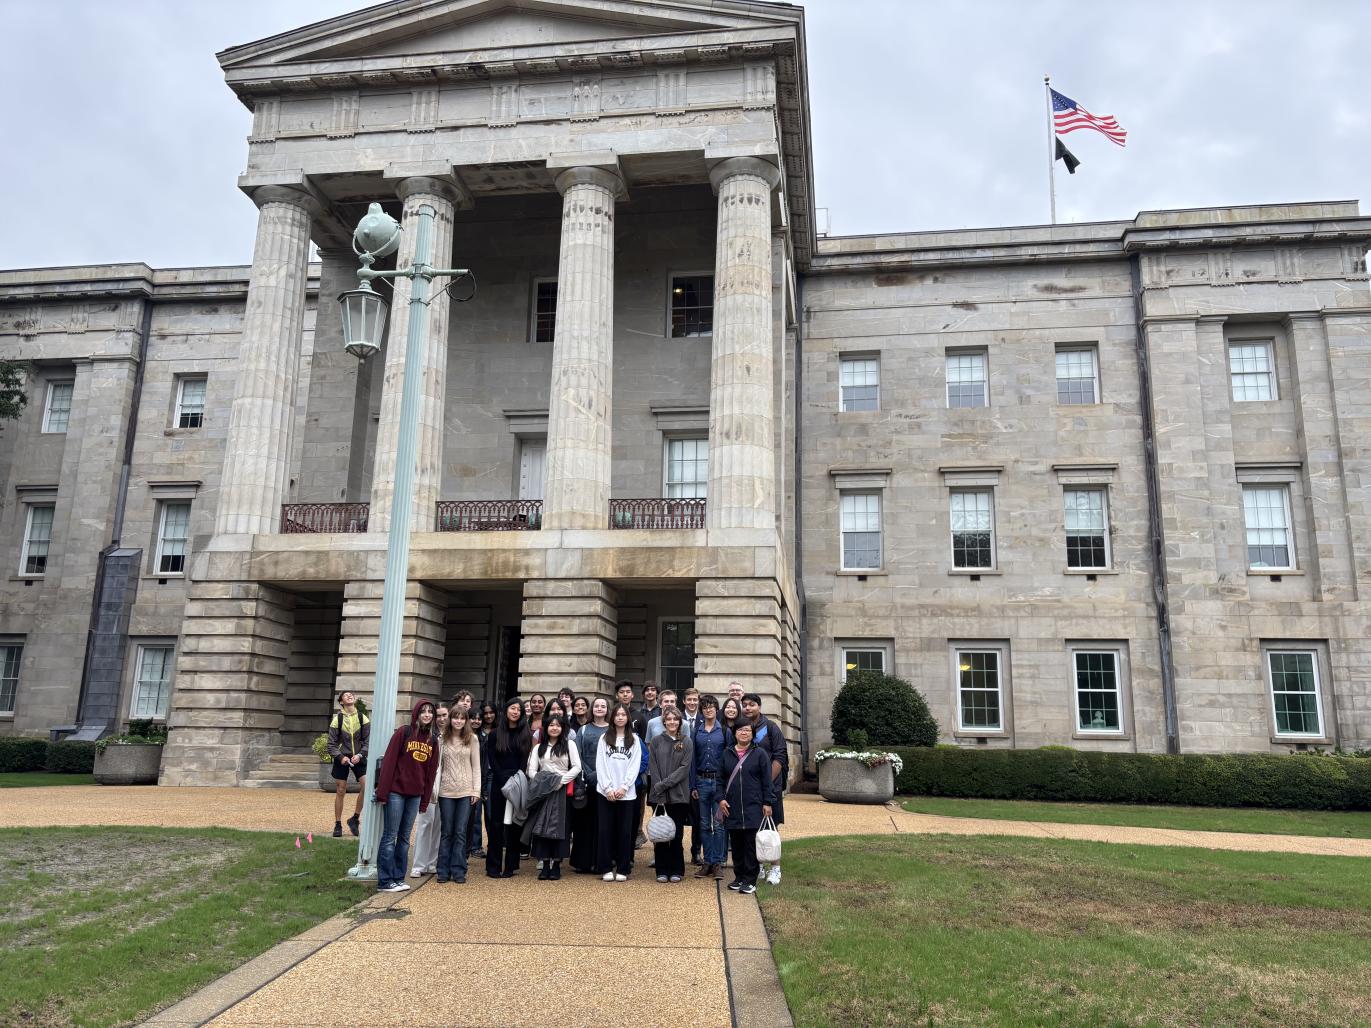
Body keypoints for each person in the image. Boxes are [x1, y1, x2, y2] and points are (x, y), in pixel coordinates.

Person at [373, 700, 439, 893]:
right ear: (417, 713)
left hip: (415, 795)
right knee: (390, 836)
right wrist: (382, 792)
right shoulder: (404, 733)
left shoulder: (432, 740)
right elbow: (389, 763)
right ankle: (385, 881)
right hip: (395, 793)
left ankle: (398, 878)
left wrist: (425, 800)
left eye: (430, 712)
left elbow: (431, 773)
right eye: (423, 711)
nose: (427, 715)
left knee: (404, 838)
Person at [719, 719, 774, 895]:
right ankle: (739, 877)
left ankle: (750, 879)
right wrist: (720, 799)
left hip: (754, 806)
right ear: (734, 733)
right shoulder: (727, 753)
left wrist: (767, 802)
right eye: (740, 730)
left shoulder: (760, 754)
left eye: (748, 730)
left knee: (751, 844)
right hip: (732, 806)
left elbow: (767, 781)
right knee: (736, 845)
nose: (744, 733)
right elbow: (719, 780)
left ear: (753, 733)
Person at [525, 713, 581, 880]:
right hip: (543, 791)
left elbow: (577, 767)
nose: (554, 728)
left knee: (560, 827)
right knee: (542, 827)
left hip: (563, 791)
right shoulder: (538, 748)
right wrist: (546, 782)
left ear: (562, 728)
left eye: (558, 725)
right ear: (546, 728)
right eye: (551, 725)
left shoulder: (569, 744)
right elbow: (531, 771)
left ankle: (556, 863)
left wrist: (561, 781)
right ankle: (545, 863)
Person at [742, 692, 789, 885]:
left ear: (759, 707)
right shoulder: (743, 728)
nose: (747, 708)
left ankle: (775, 868)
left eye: (751, 704)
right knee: (755, 827)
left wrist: (766, 783)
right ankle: (759, 865)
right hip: (750, 788)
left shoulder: (771, 728)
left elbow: (780, 756)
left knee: (771, 827)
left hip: (770, 787)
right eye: (744, 705)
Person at [594, 703, 641, 881]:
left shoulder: (635, 739)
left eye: (623, 715)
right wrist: (608, 788)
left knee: (625, 831)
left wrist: (624, 787)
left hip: (626, 794)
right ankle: (605, 867)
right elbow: (601, 764)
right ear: (612, 718)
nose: (620, 717)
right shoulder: (604, 738)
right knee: (605, 830)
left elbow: (634, 765)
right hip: (605, 792)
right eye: (617, 715)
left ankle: (623, 868)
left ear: (628, 718)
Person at [486, 698, 532, 878]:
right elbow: (492, 758)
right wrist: (502, 777)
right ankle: (493, 866)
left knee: (514, 824)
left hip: (517, 781)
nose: (516, 712)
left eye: (519, 709)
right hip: (498, 781)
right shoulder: (495, 734)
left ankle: (511, 866)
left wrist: (514, 778)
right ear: (506, 710)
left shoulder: (525, 734)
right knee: (495, 824)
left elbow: (524, 761)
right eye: (512, 708)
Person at [435, 707, 481, 883]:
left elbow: (476, 767)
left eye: (462, 718)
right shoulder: (442, 739)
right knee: (447, 831)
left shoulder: (472, 739)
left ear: (466, 721)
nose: (458, 721)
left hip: (465, 791)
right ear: (450, 720)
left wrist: (476, 790)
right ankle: (442, 870)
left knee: (461, 831)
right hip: (446, 791)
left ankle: (459, 870)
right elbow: (438, 766)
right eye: (455, 718)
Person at [648, 708, 693, 883]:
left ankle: (676, 869)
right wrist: (658, 787)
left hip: (679, 795)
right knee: (660, 834)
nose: (672, 722)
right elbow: (653, 766)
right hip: (659, 796)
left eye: (675, 719)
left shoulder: (686, 742)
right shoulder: (656, 741)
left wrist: (663, 784)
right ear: (664, 722)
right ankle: (661, 869)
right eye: (669, 719)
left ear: (680, 722)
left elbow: (684, 769)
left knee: (676, 834)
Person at [570, 696, 609, 874]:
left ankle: (599, 861)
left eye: (603, 706)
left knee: (602, 824)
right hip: (585, 781)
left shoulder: (612, 730)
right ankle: (582, 861)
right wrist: (589, 774)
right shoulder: (583, 730)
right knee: (583, 823)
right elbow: (577, 754)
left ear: (608, 709)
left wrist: (600, 775)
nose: (600, 708)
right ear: (592, 709)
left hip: (605, 782)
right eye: (597, 706)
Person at [691, 694, 728, 880]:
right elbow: (692, 759)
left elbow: (728, 760)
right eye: (705, 707)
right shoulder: (697, 731)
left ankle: (719, 863)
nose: (708, 709)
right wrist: (693, 785)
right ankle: (708, 861)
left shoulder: (724, 732)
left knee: (719, 824)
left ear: (716, 709)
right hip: (701, 782)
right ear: (702, 710)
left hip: (718, 783)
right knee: (704, 824)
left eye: (711, 706)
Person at [410, 703, 449, 876]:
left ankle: (432, 862)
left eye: (444, 715)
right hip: (430, 785)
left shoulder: (452, 736)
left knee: (439, 825)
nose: (441, 718)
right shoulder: (427, 735)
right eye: (438, 715)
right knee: (425, 823)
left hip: (447, 786)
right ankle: (418, 865)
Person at [326, 690, 369, 838]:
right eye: (345, 695)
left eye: (351, 694)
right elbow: (331, 744)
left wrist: (360, 754)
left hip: (359, 756)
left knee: (367, 786)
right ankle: (337, 824)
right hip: (342, 757)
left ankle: (355, 819)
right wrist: (340, 757)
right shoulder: (337, 719)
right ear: (341, 702)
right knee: (340, 790)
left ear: (354, 700)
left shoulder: (362, 718)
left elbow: (368, 741)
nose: (349, 695)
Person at [471, 701, 497, 859]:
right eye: (485, 713)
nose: (488, 716)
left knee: (491, 813)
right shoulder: (475, 733)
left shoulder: (499, 730)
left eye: (490, 712)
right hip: (477, 775)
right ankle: (475, 846)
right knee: (475, 812)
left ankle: (493, 844)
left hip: (492, 775)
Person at [680, 689, 702, 864]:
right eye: (689, 700)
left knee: (698, 817)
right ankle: (676, 851)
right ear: (684, 701)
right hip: (679, 772)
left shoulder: (705, 720)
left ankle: (696, 851)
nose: (692, 702)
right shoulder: (676, 718)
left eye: (695, 699)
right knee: (678, 815)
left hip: (697, 772)